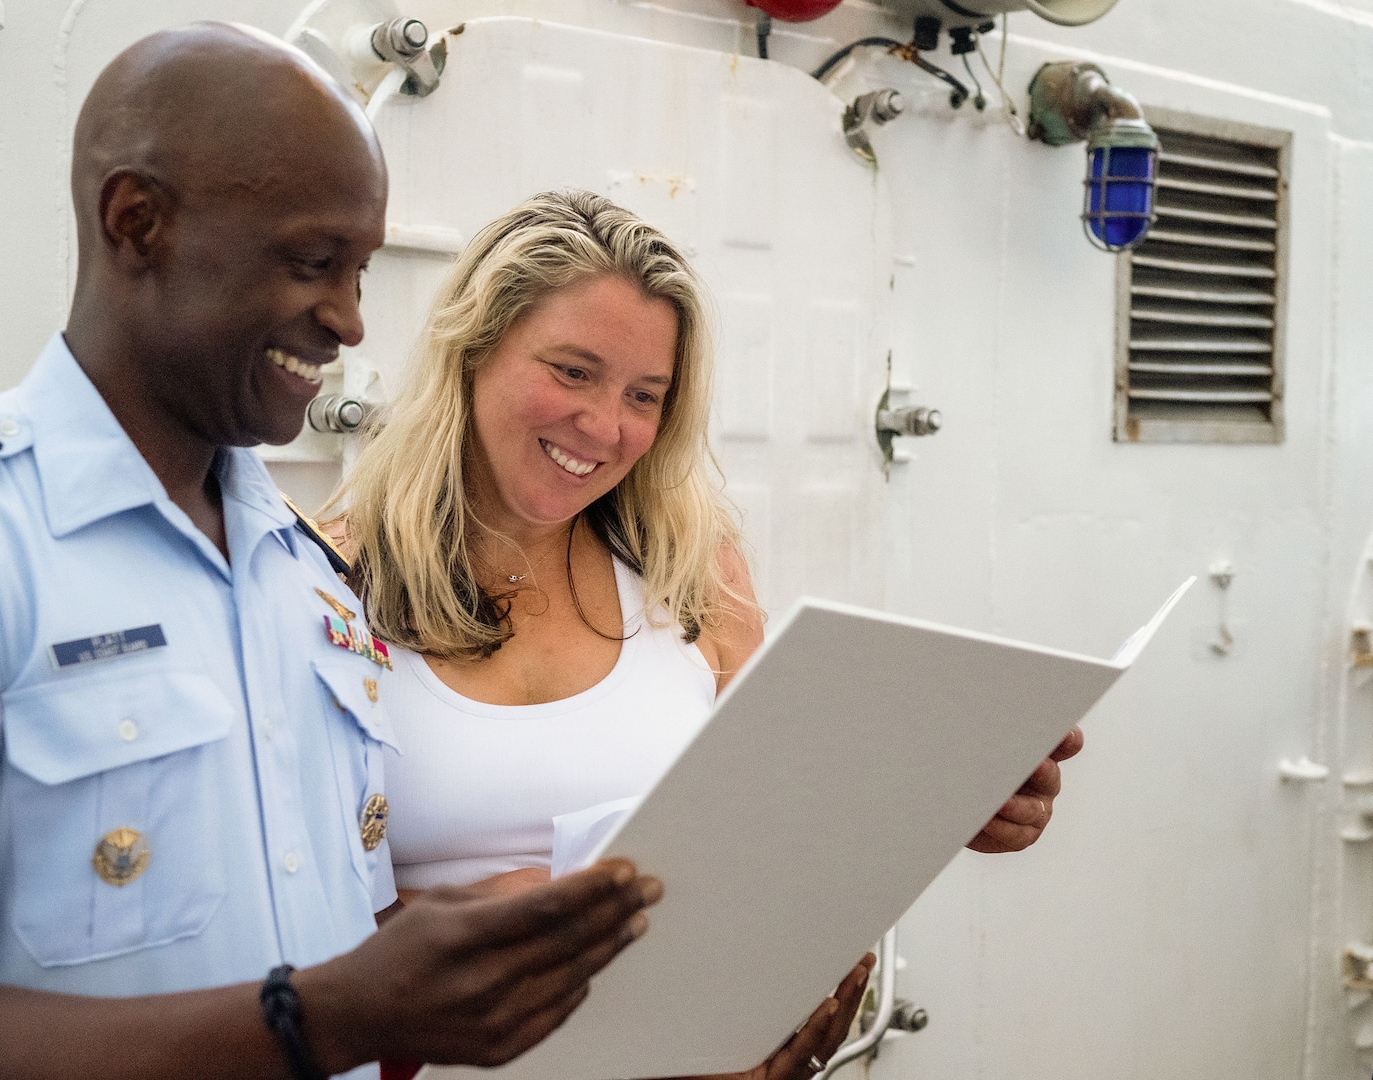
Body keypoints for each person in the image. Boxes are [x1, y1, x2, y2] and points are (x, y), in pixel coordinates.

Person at [0, 27, 664, 1080]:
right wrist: (318, 1019)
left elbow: (309, 932)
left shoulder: (304, 576)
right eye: (312, 263)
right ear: (138, 223)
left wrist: (468, 948)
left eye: (357, 271)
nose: (349, 320)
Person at [330, 190, 1085, 1078]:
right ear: (471, 348)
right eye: (572, 371)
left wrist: (950, 799)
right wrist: (509, 913)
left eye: (644, 395)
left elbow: (775, 829)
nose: (606, 428)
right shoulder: (332, 579)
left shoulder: (692, 569)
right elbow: (280, 911)